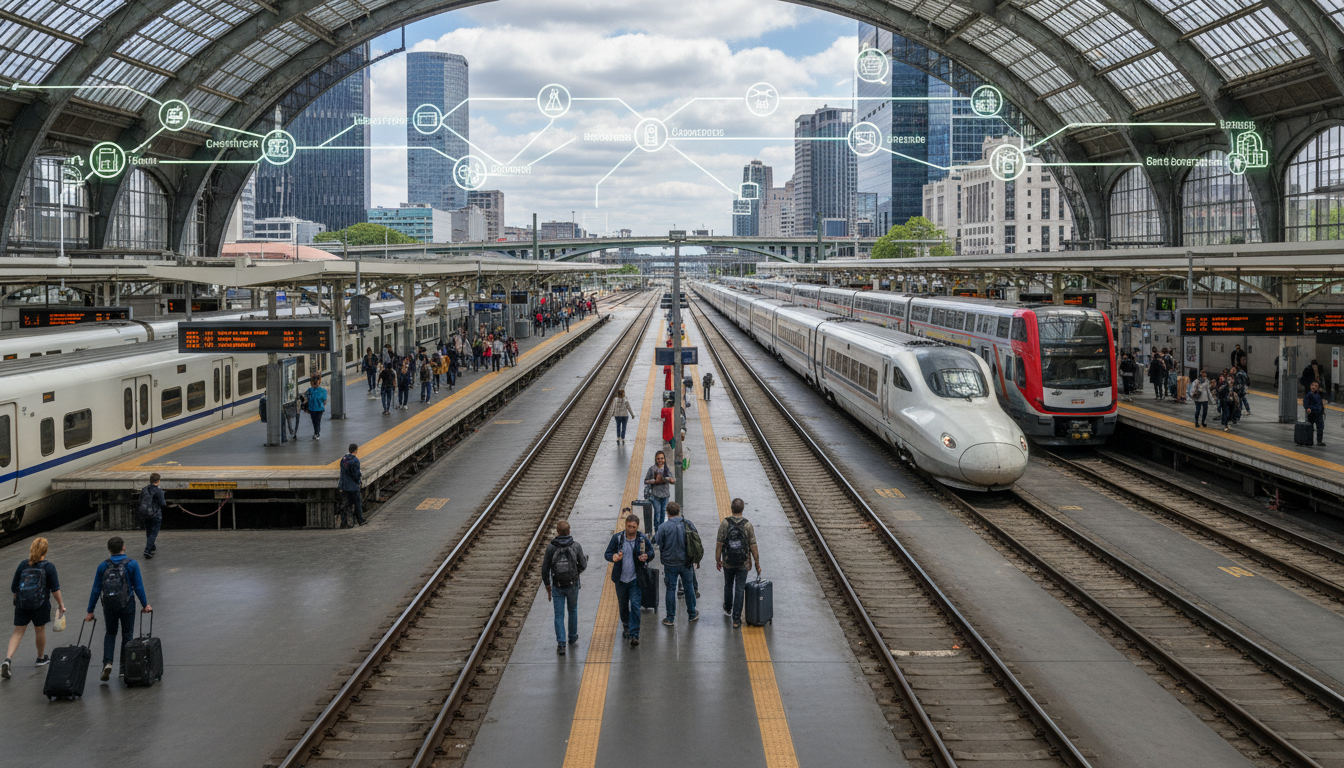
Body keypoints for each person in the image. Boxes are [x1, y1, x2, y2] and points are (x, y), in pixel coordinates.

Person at [85, 537, 151, 683]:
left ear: (109, 549)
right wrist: (145, 604)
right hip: (127, 603)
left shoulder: (103, 566)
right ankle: (124, 667)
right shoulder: (132, 564)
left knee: (110, 633)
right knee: (127, 634)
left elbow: (96, 589)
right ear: (123, 548)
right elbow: (138, 586)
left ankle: (107, 663)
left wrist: (90, 610)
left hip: (109, 605)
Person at [4, 537, 65, 678]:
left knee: (17, 632)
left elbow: (14, 587)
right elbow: (55, 589)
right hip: (40, 604)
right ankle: (40, 658)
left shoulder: (23, 565)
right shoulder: (49, 567)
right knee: (39, 630)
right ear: (45, 550)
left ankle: (7, 660)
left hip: (22, 604)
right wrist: (61, 605)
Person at [542, 520, 588, 655]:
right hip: (573, 584)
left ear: (557, 531)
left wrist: (547, 584)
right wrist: (575, 573)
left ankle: (561, 644)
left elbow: (545, 569)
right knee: (572, 610)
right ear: (569, 531)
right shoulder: (576, 546)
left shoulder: (551, 547)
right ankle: (572, 637)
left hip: (557, 585)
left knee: (559, 615)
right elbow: (583, 565)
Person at [604, 514, 651, 647]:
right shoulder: (617, 538)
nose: (631, 529)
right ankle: (626, 625)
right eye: (629, 526)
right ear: (625, 526)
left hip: (636, 579)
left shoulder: (642, 539)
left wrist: (647, 556)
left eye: (633, 527)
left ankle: (634, 634)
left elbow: (651, 552)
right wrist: (613, 557)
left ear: (637, 526)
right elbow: (607, 553)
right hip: (620, 580)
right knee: (623, 605)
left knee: (636, 606)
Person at [716, 498, 760, 629]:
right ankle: (736, 619)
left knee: (728, 584)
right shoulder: (747, 525)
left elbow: (719, 543)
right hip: (743, 563)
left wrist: (718, 559)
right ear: (742, 509)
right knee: (740, 589)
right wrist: (757, 563)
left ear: (731, 508)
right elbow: (753, 546)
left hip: (728, 561)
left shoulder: (725, 523)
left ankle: (728, 608)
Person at [654, 502, 699, 625]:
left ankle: (670, 618)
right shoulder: (688, 524)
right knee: (688, 587)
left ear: (667, 513)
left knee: (671, 589)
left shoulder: (663, 527)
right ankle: (692, 613)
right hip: (686, 562)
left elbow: (658, 541)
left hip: (670, 564)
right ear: (679, 511)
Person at [137, 472, 177, 559]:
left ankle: (152, 546)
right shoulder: (159, 491)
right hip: (155, 514)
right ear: (158, 481)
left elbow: (140, 501)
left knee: (149, 530)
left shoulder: (144, 489)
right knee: (154, 532)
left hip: (145, 513)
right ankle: (147, 550)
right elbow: (162, 503)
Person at [644, 451, 675, 532]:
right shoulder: (652, 469)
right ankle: (657, 531)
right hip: (655, 495)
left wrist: (670, 480)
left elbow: (673, 480)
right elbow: (646, 481)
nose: (660, 460)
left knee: (663, 513)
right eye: (658, 458)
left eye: (661, 458)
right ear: (655, 459)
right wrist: (654, 481)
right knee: (657, 513)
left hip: (665, 495)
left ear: (664, 459)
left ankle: (661, 531)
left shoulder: (667, 469)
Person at [338, 443, 366, 527]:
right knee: (357, 503)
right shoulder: (355, 460)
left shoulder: (343, 459)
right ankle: (360, 520)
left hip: (343, 485)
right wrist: (358, 481)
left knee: (344, 505)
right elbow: (356, 474)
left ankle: (343, 523)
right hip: (353, 486)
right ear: (356, 450)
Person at [305, 375, 327, 440]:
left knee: (317, 420)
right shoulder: (310, 390)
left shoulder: (322, 390)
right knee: (314, 421)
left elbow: (324, 399)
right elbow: (306, 396)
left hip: (319, 408)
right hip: (312, 408)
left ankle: (317, 433)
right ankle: (316, 432)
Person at [1305, 381, 1326, 446]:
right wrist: (1307, 408)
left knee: (1320, 427)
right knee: (1310, 428)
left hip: (1319, 413)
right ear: (1310, 387)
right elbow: (1305, 402)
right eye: (1313, 385)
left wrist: (1322, 411)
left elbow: (1320, 403)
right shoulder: (1309, 395)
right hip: (1312, 413)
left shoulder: (1318, 395)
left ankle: (1319, 441)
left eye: (1315, 386)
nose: (1314, 387)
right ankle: (1309, 441)